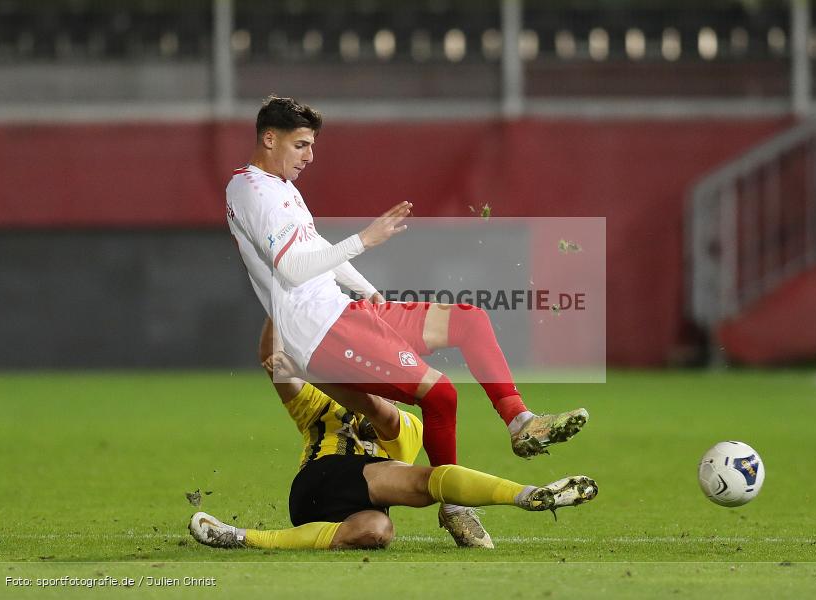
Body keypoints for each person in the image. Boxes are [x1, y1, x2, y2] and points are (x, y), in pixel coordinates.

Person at [225, 95, 589, 547]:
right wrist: (365, 239)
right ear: (268, 138)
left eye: (311, 145)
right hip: (321, 329)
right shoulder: (250, 189)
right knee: (440, 395)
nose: (310, 156)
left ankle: (520, 422)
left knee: (468, 321)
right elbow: (293, 268)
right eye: (301, 145)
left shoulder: (279, 188)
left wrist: (367, 290)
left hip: (344, 310)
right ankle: (456, 510)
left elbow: (314, 247)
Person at [188, 351, 598, 551]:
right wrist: (281, 317)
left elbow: (378, 413)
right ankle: (527, 496)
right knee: (425, 482)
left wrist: (333, 373)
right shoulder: (320, 405)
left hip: (353, 507)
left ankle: (241, 537)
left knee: (377, 532)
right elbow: (277, 366)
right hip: (320, 479)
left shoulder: (408, 425)